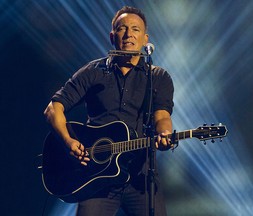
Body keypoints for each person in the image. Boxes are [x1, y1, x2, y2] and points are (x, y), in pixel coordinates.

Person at [44, 5, 174, 216]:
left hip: (140, 178)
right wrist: (68, 141)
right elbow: (53, 109)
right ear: (112, 37)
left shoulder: (158, 77)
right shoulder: (93, 72)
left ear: (145, 38)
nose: (129, 34)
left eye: (135, 29)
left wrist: (165, 134)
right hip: (96, 177)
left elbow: (162, 117)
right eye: (122, 29)